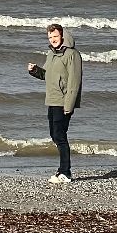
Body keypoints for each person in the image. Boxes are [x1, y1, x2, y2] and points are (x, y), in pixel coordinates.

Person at [27, 23, 83, 183]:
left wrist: (69, 105)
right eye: (50, 37)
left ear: (62, 36)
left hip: (63, 101)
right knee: (55, 135)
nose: (53, 40)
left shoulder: (72, 55)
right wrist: (34, 70)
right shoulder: (51, 54)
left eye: (55, 36)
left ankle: (65, 172)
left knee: (60, 136)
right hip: (51, 100)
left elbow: (74, 82)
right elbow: (47, 75)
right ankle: (63, 170)